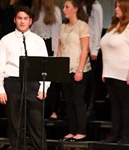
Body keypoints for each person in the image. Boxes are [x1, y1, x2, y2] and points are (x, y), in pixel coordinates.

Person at [0, 6, 50, 150]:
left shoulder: (38, 41)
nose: (22, 21)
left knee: (37, 125)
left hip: (32, 84)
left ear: (30, 21)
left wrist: (44, 87)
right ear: (14, 20)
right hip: (12, 84)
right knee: (15, 126)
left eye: (25, 19)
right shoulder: (6, 40)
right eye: (19, 18)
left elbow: (45, 67)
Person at [57, 0, 91, 141]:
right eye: (63, 7)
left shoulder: (82, 26)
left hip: (78, 68)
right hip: (66, 69)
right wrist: (58, 68)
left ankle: (81, 131)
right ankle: (72, 129)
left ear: (75, 9)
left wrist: (80, 70)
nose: (64, 9)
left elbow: (85, 49)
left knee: (78, 101)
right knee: (69, 101)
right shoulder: (63, 27)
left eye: (67, 7)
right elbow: (59, 49)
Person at [100, 0, 129, 144]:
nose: (116, 9)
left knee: (125, 105)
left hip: (123, 72)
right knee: (114, 105)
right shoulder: (113, 27)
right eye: (116, 6)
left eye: (119, 7)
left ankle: (126, 136)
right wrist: (104, 71)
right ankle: (115, 134)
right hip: (110, 72)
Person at [80, 0, 103, 120]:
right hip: (79, 48)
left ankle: (91, 107)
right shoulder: (78, 5)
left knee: (91, 80)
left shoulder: (96, 7)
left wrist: (95, 50)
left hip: (91, 48)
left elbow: (97, 29)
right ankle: (82, 106)